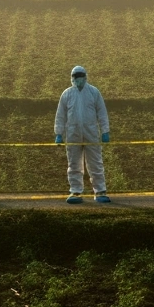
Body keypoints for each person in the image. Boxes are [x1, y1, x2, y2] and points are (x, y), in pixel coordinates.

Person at [55, 65, 112, 204]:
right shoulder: (67, 94)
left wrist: (105, 130)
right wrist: (59, 133)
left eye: (81, 76)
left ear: (85, 76)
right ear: (72, 77)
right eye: (76, 76)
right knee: (74, 163)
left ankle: (100, 191)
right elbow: (61, 115)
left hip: (91, 133)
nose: (78, 79)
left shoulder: (93, 92)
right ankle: (75, 191)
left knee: (95, 162)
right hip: (73, 133)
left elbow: (102, 112)